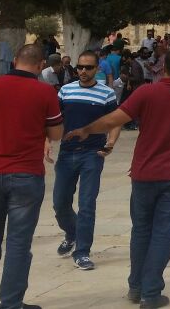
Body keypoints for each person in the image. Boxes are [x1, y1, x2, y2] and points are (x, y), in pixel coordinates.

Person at [62, 47, 170, 309]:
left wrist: (87, 129)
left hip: (144, 172)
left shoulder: (145, 92)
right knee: (163, 231)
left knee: (141, 229)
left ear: (163, 68)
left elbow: (114, 119)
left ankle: (136, 286)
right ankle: (151, 293)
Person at [0, 44, 63, 309]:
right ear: (40, 64)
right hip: (26, 173)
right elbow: (55, 134)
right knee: (19, 242)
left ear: (15, 61)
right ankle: (11, 303)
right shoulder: (45, 91)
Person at [54, 51, 120, 270]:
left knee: (87, 204)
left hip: (92, 153)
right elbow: (54, 120)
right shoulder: (65, 91)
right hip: (66, 153)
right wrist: (46, 141)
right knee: (60, 202)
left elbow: (115, 121)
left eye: (88, 68)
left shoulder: (107, 94)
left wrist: (110, 143)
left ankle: (82, 252)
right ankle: (71, 232)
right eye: (80, 67)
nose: (83, 71)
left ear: (97, 69)